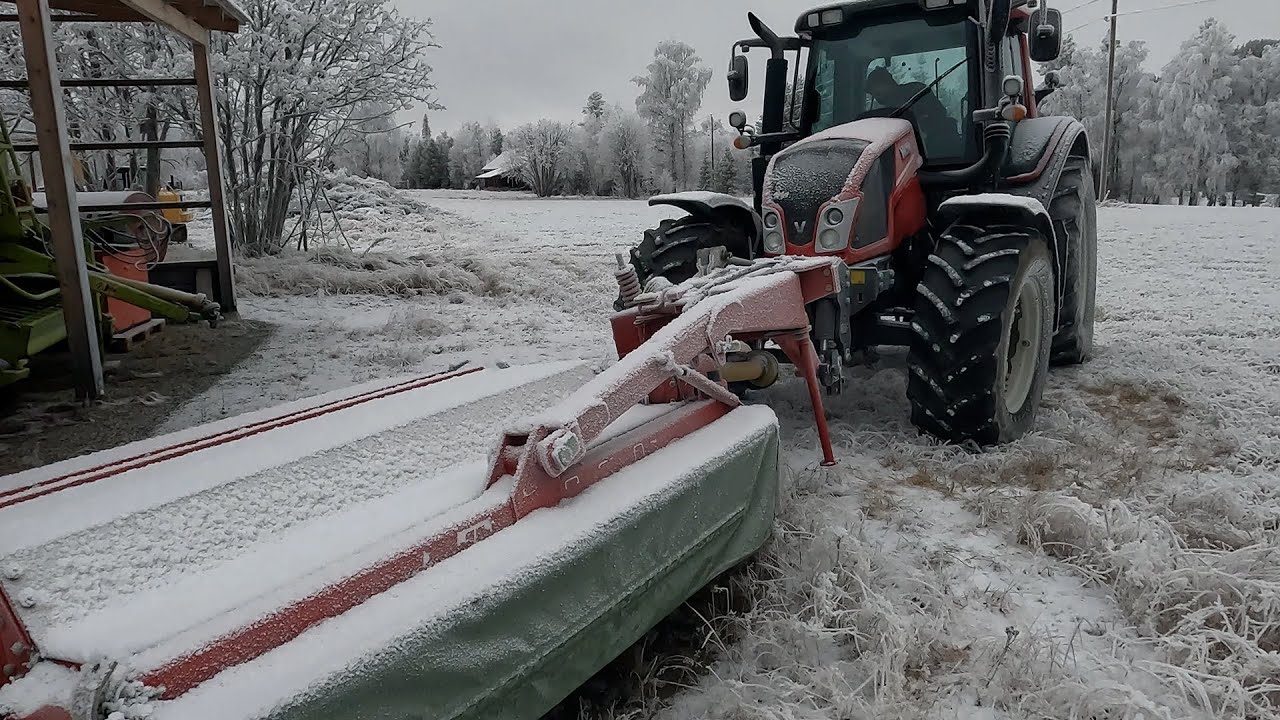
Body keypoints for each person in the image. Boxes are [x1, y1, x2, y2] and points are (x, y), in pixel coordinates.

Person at [865, 66, 960, 158]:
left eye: (876, 89)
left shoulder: (916, 92)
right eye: (872, 92)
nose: (874, 95)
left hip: (936, 156)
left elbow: (938, 114)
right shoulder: (884, 113)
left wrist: (923, 127)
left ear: (887, 83)